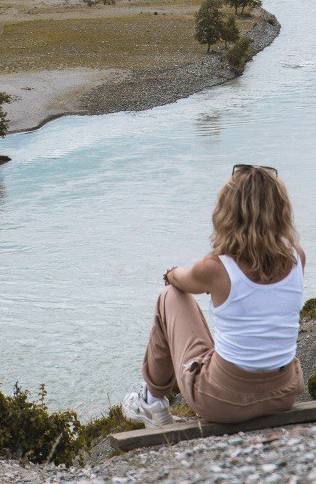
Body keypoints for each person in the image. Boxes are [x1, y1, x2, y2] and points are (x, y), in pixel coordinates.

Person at [122, 164, 306, 427]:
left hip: (223, 402)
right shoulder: (297, 257)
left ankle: (151, 401)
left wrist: (169, 273)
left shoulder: (215, 268)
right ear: (280, 211)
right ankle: (153, 401)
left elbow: (179, 280)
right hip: (284, 394)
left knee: (169, 296)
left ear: (228, 213)